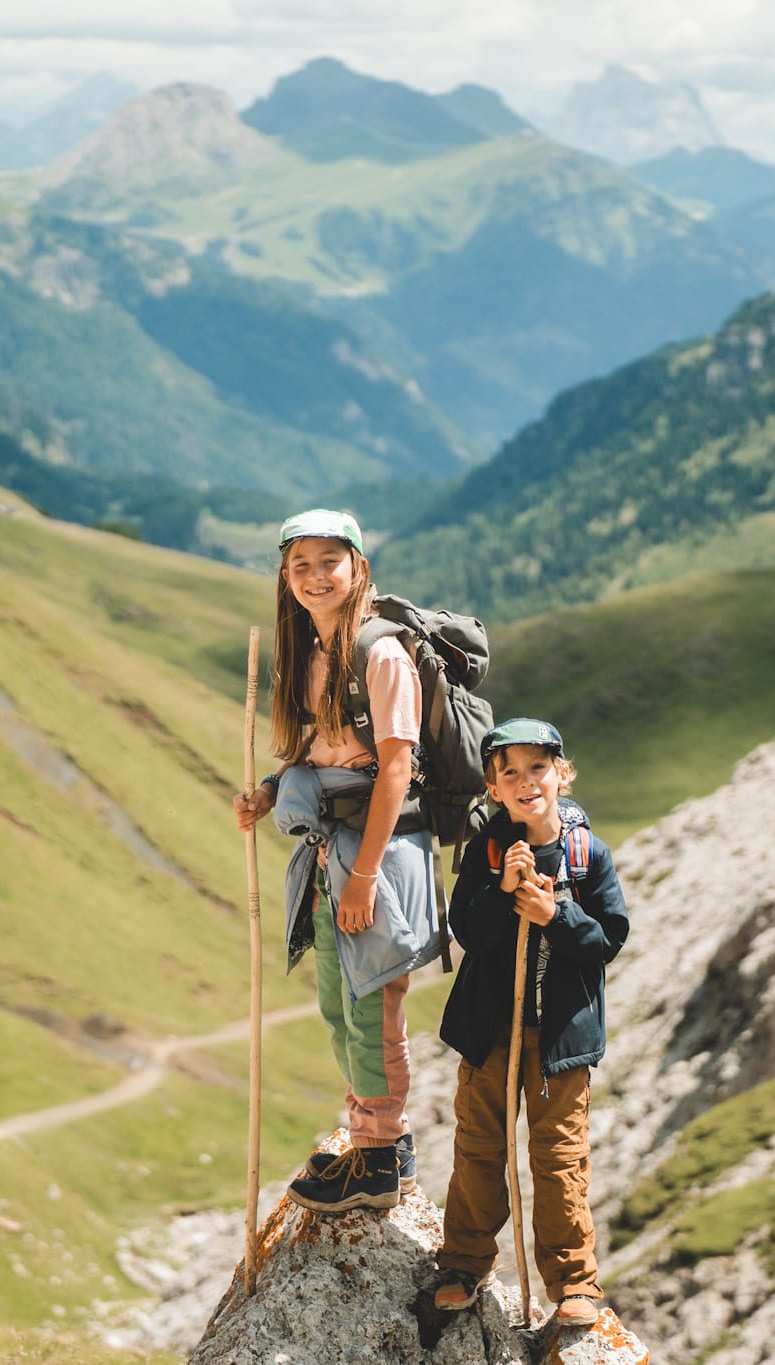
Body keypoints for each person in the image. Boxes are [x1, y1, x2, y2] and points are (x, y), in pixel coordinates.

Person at [232, 508, 442, 1213]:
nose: (316, 577)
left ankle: (380, 1160)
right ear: (285, 579)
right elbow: (319, 750)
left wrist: (362, 878)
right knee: (336, 1002)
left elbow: (395, 771)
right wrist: (269, 792)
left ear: (359, 568)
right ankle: (373, 1137)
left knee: (371, 1005)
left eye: (330, 561)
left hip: (373, 856)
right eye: (300, 565)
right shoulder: (312, 653)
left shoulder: (381, 654)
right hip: (333, 852)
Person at [432, 718, 629, 1328]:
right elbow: (468, 931)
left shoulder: (587, 854)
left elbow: (607, 940)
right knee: (479, 1147)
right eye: (509, 772)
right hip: (491, 1032)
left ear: (561, 775)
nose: (525, 782)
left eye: (537, 768)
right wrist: (501, 888)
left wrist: (555, 912)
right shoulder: (487, 850)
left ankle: (574, 1283)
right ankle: (464, 1263)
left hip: (559, 1043)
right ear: (493, 788)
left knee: (559, 1157)